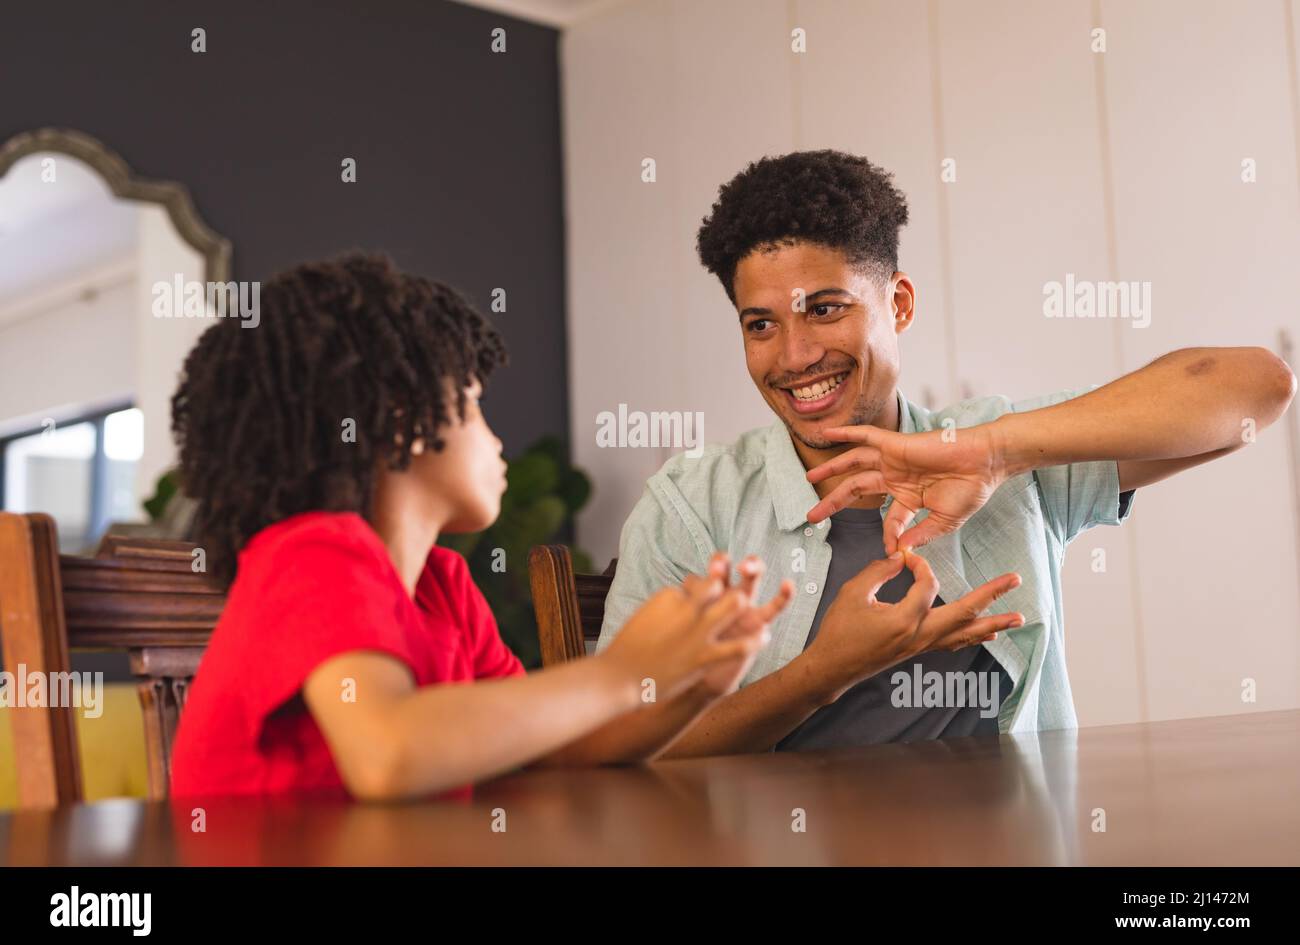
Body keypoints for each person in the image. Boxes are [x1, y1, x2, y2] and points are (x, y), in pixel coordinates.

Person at [597, 149, 1296, 752]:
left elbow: (1255, 387)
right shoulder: (693, 504)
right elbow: (625, 745)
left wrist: (994, 452)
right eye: (760, 324)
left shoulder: (1001, 452)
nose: (796, 355)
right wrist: (821, 673)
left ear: (898, 304)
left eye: (825, 308)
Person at [168, 252, 794, 800]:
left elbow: (552, 752)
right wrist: (621, 671)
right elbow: (388, 755)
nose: (496, 441)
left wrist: (691, 685)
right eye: (471, 403)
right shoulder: (312, 554)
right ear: (405, 420)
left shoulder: (442, 584)